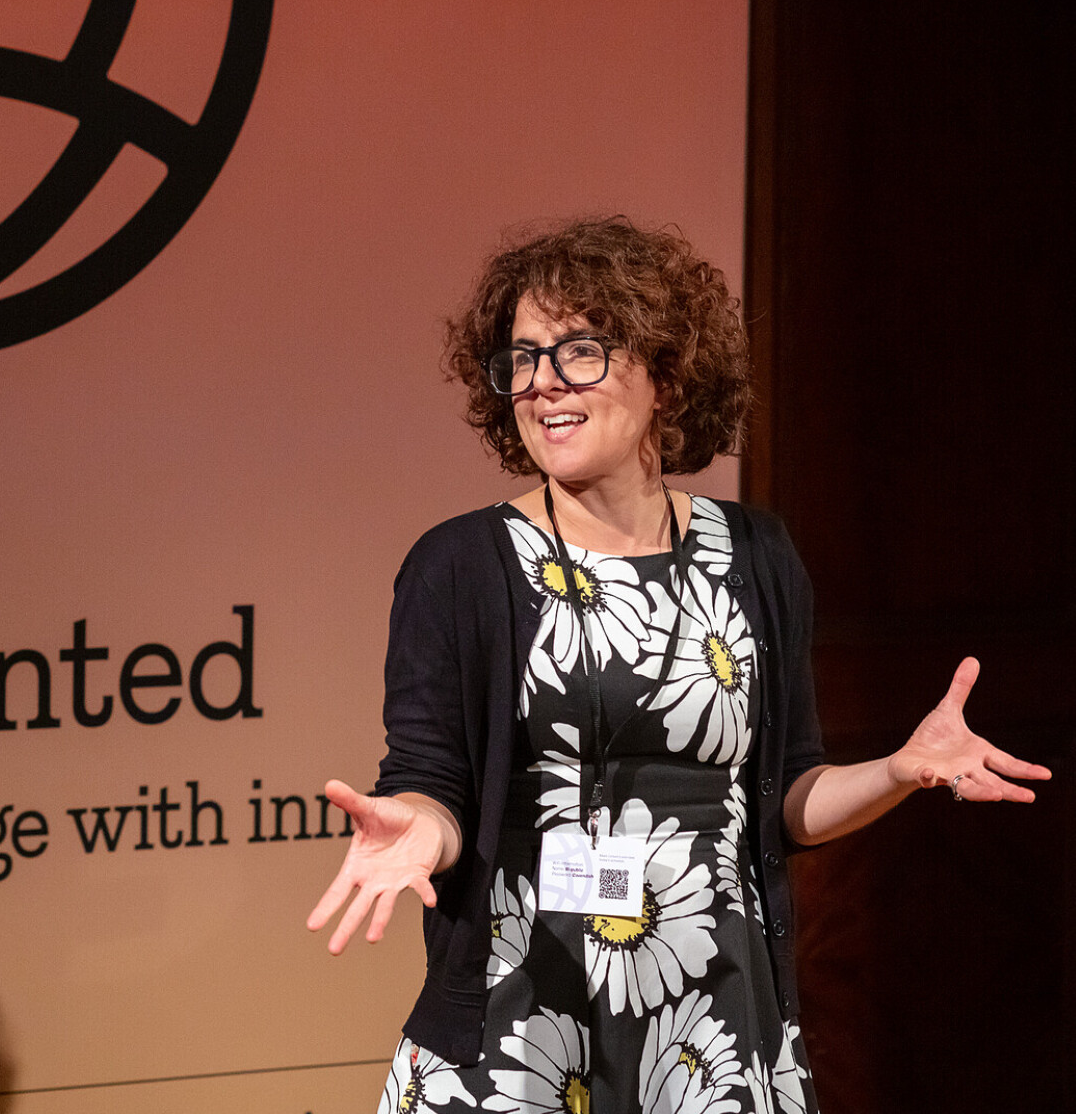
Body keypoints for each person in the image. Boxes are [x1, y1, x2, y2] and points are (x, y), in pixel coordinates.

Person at [306, 217, 1050, 1113]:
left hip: (715, 1022)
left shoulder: (757, 556)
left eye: (579, 350)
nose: (543, 384)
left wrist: (898, 771)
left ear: (665, 369)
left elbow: (787, 802)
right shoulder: (464, 567)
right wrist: (418, 829)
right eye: (523, 359)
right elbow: (431, 783)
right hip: (524, 1021)